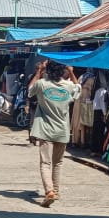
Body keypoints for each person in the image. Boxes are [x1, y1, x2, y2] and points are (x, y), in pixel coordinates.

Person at [28, 60, 79, 208]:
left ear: (47, 70)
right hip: (62, 130)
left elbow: (30, 89)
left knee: (45, 163)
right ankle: (55, 191)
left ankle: (49, 190)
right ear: (62, 70)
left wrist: (38, 71)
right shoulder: (68, 86)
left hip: (45, 130)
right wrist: (71, 72)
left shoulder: (42, 84)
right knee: (58, 163)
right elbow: (78, 88)